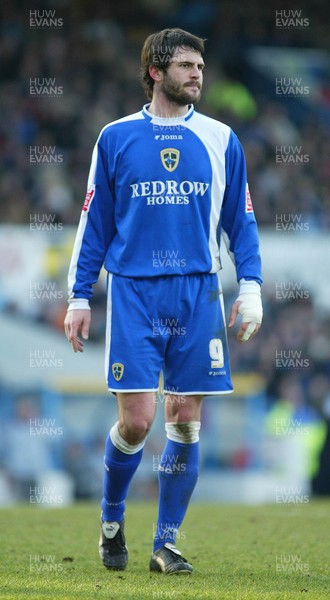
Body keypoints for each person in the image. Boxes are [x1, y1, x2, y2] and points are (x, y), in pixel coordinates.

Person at [64, 27, 263, 575]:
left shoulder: (223, 139)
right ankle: (110, 520)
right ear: (155, 72)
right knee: (136, 421)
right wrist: (80, 296)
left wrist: (250, 287)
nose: (197, 73)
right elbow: (94, 223)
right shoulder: (116, 137)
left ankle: (165, 543)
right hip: (133, 293)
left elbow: (240, 222)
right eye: (184, 65)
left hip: (198, 290)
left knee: (185, 417)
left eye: (200, 65)